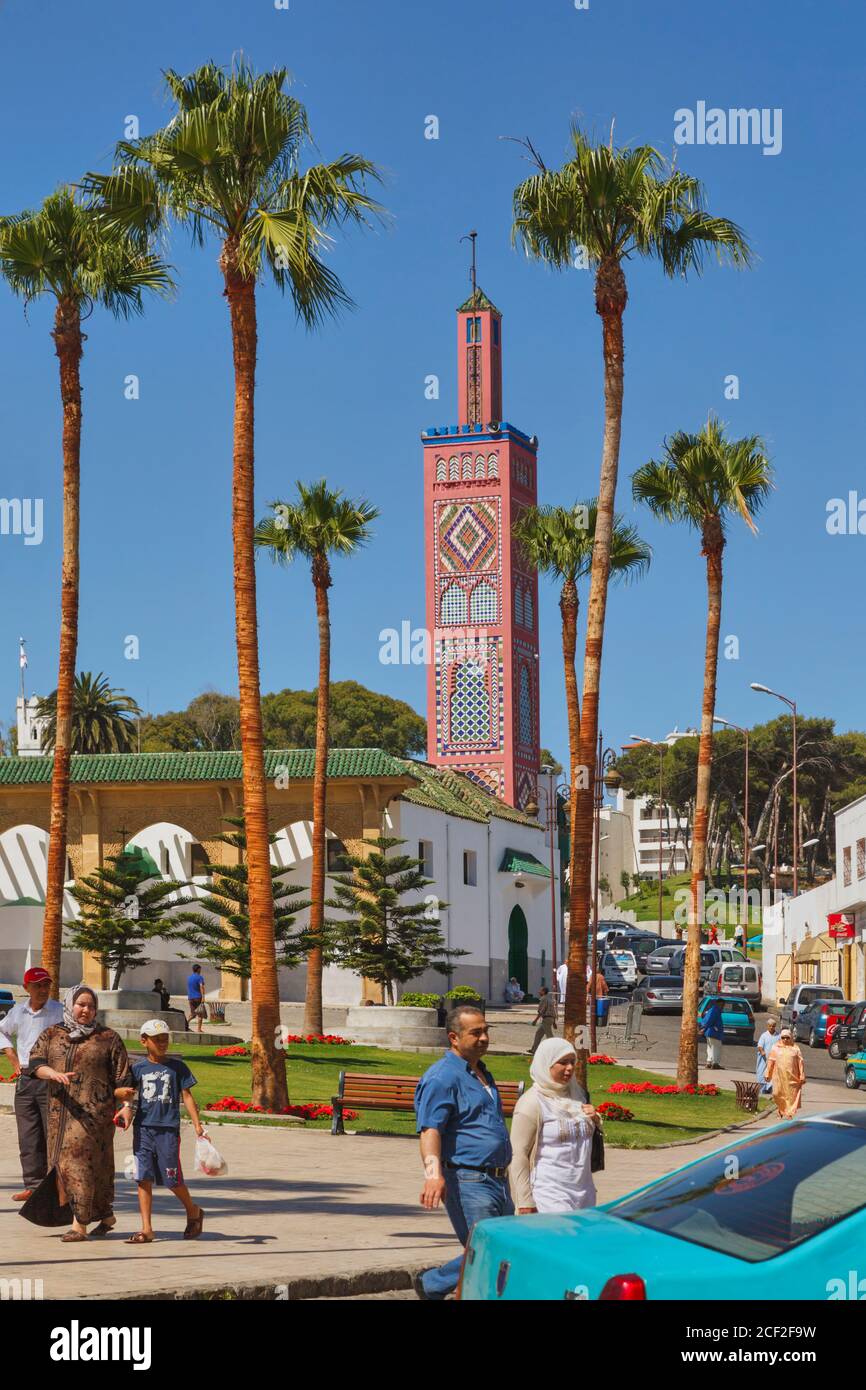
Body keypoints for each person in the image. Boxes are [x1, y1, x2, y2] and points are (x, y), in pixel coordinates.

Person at [413, 1005, 513, 1300]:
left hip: (497, 1179)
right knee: (487, 1250)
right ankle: (434, 1283)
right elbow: (430, 1129)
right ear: (454, 1037)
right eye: (476, 1032)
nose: (484, 1037)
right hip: (468, 1179)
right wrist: (433, 1176)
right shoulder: (443, 1077)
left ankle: (432, 1284)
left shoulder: (481, 1073)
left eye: (486, 1030)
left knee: (499, 1248)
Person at [23, 984, 133, 1241]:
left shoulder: (108, 1038)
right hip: (58, 1115)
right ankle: (106, 1216)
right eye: (81, 1004)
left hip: (94, 1117)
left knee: (79, 1164)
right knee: (69, 1166)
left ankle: (79, 1225)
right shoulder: (52, 1034)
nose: (86, 1010)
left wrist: (127, 1108)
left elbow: (124, 1077)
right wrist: (52, 1074)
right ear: (70, 1004)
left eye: (91, 1006)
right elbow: (36, 1063)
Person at [116, 1020, 205, 1244]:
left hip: (168, 1130)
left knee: (172, 1179)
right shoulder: (137, 1069)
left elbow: (187, 1096)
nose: (162, 1043)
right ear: (144, 1041)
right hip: (143, 1129)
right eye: (157, 1039)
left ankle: (193, 1211)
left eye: (165, 1038)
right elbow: (126, 1095)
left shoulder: (177, 1068)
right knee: (142, 1178)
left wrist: (197, 1126)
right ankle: (146, 1229)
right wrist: (124, 1106)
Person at [509, 1038, 601, 1215]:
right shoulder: (532, 1102)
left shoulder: (578, 1095)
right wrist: (524, 1200)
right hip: (549, 1193)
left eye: (572, 1062)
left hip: (584, 1192)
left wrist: (596, 1119)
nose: (569, 1068)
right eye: (562, 1062)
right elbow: (518, 1153)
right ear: (547, 1063)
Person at [0, 966, 64, 1201]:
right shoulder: (18, 1012)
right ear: (26, 988)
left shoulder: (59, 1011)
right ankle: (33, 1186)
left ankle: (56, 1185)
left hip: (50, 1078)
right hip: (26, 1079)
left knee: (52, 1133)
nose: (43, 989)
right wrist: (11, 1055)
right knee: (28, 1135)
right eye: (37, 985)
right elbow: (2, 1031)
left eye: (46, 984)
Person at [765, 1027, 806, 1119]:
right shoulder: (775, 1047)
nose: (785, 1039)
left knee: (790, 1096)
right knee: (777, 1094)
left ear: (790, 1038)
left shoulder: (795, 1048)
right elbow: (771, 1061)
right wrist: (768, 1074)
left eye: (787, 1037)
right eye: (783, 1037)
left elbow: (800, 1062)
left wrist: (802, 1075)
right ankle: (780, 1109)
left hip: (792, 1077)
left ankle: (789, 1113)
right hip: (778, 1077)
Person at [529, 986, 557, 1056]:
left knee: (549, 1035)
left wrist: (535, 1020)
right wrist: (554, 1022)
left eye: (540, 991)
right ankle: (534, 1049)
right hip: (550, 1019)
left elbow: (542, 1011)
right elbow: (553, 1011)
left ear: (544, 992)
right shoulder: (550, 999)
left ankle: (556, 1051)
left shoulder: (543, 999)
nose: (539, 992)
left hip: (546, 1019)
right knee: (538, 1033)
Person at [755, 1015, 779, 1094]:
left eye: (773, 1026)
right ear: (767, 1026)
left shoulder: (778, 1036)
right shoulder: (764, 1035)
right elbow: (760, 1046)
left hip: (774, 1060)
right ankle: (762, 1089)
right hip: (764, 1060)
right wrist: (762, 1052)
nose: (771, 1027)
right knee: (762, 1073)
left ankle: (771, 1088)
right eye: (770, 1026)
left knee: (773, 1074)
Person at [700, 997, 725, 1070]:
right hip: (714, 1032)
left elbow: (705, 1019)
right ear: (720, 1004)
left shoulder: (712, 1010)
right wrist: (704, 1028)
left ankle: (709, 1062)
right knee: (716, 1047)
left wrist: (704, 1028)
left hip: (710, 1032)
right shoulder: (715, 1010)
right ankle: (715, 1063)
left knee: (710, 1047)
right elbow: (710, 1020)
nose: (723, 1006)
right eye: (723, 1005)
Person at [186, 964, 206, 1034]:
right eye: (200, 969)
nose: (200, 970)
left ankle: (185, 1024)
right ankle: (199, 1029)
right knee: (200, 1014)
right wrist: (203, 997)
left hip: (190, 998)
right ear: (198, 969)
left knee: (193, 1014)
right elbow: (201, 987)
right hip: (198, 997)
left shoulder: (189, 978)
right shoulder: (200, 977)